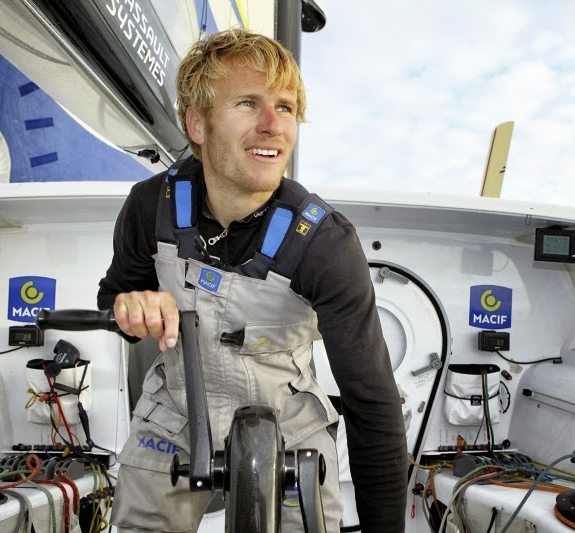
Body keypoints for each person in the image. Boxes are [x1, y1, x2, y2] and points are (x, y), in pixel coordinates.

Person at [98, 28, 407, 532]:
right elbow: (113, 298)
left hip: (289, 422)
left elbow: (373, 404)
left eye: (285, 108)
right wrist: (129, 310)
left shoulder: (325, 244)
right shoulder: (148, 206)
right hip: (173, 416)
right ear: (197, 124)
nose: (273, 126)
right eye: (248, 103)